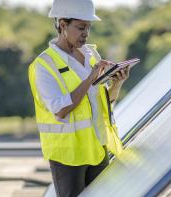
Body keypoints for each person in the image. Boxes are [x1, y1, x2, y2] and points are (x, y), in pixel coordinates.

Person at [28, 0, 129, 196]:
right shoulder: (43, 65)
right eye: (81, 27)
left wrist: (117, 84)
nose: (86, 33)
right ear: (63, 25)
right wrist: (90, 78)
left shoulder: (91, 56)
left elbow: (101, 103)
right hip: (68, 156)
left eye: (88, 27)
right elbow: (60, 109)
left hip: (97, 150)